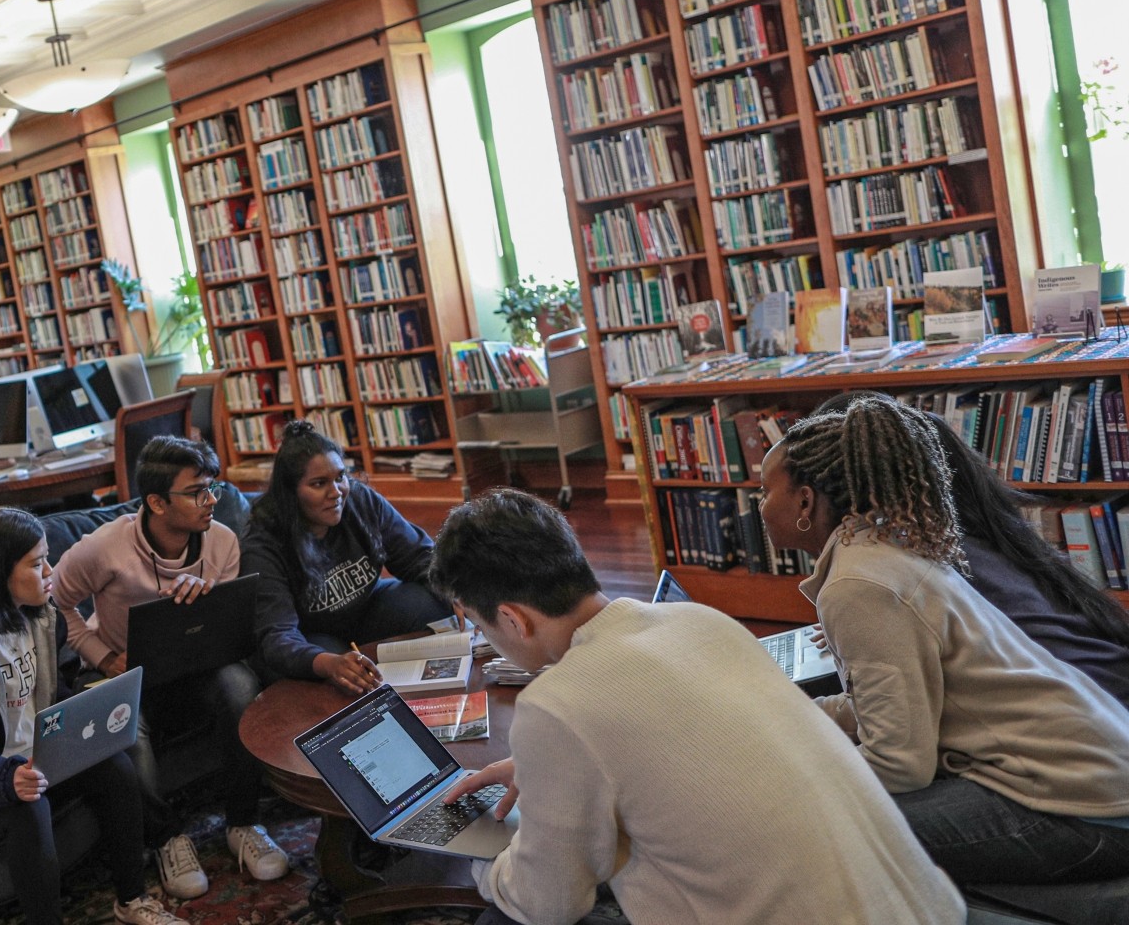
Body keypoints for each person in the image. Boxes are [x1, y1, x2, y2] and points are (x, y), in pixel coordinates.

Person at [428, 489, 961, 925]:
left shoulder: (553, 704)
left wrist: (484, 861)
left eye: (481, 626)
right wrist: (548, 771)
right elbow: (685, 745)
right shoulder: (697, 621)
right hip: (927, 907)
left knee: (503, 917)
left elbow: (549, 903)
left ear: (512, 619)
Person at [759, 395, 1129, 884]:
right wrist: (798, 716)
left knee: (805, 822)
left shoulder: (858, 585)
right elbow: (896, 708)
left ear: (805, 501)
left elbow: (899, 766)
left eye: (764, 491)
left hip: (1083, 808)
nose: (760, 506)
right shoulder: (881, 545)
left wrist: (790, 767)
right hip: (1095, 771)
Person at [0, 508, 187, 925]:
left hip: (37, 752)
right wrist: (4, 776)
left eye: (47, 558)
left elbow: (50, 691)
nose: (50, 571)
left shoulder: (41, 614)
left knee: (114, 764)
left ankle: (131, 899)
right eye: (37, 564)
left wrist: (90, 713)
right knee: (27, 805)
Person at [51, 436, 290, 899]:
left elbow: (227, 626)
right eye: (197, 492)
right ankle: (166, 839)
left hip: (195, 668)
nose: (212, 500)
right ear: (157, 503)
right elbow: (52, 605)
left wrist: (208, 610)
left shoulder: (222, 541)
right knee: (124, 725)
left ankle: (243, 822)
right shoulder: (104, 549)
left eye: (213, 486)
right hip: (127, 675)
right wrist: (102, 654)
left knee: (242, 685)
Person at [810, 391, 1129, 705]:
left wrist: (864, 625)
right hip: (1102, 694)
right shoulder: (962, 533)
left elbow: (901, 704)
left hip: (1093, 710)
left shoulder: (923, 557)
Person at [240, 420, 449, 693]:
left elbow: (419, 557)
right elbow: (277, 637)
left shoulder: (359, 500)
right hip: (310, 638)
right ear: (290, 493)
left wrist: (455, 590)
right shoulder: (263, 544)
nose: (336, 492)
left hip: (364, 611)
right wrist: (330, 663)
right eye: (319, 484)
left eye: (340, 477)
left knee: (432, 601)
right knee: (341, 678)